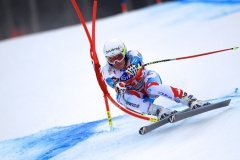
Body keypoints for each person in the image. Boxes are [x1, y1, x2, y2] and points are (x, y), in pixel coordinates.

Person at [102, 38, 210, 120]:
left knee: (152, 88)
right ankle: (158, 111)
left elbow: (137, 58)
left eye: (119, 57)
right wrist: (117, 85)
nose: (117, 62)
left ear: (124, 53)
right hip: (137, 94)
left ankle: (189, 100)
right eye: (112, 60)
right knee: (121, 97)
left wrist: (134, 66)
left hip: (148, 81)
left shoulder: (132, 54)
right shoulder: (107, 70)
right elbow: (110, 81)